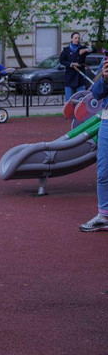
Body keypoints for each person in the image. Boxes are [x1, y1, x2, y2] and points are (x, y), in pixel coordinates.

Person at [80, 58, 108, 232]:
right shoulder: (106, 63)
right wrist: (105, 79)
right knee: (103, 169)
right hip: (107, 120)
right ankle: (103, 215)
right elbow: (96, 94)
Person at [59, 32, 91, 100]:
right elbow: (62, 60)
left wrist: (85, 50)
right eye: (75, 38)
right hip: (69, 78)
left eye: (79, 38)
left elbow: (93, 50)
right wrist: (71, 64)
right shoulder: (66, 50)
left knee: (81, 101)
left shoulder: (82, 48)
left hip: (80, 78)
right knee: (69, 101)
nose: (77, 39)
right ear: (71, 39)